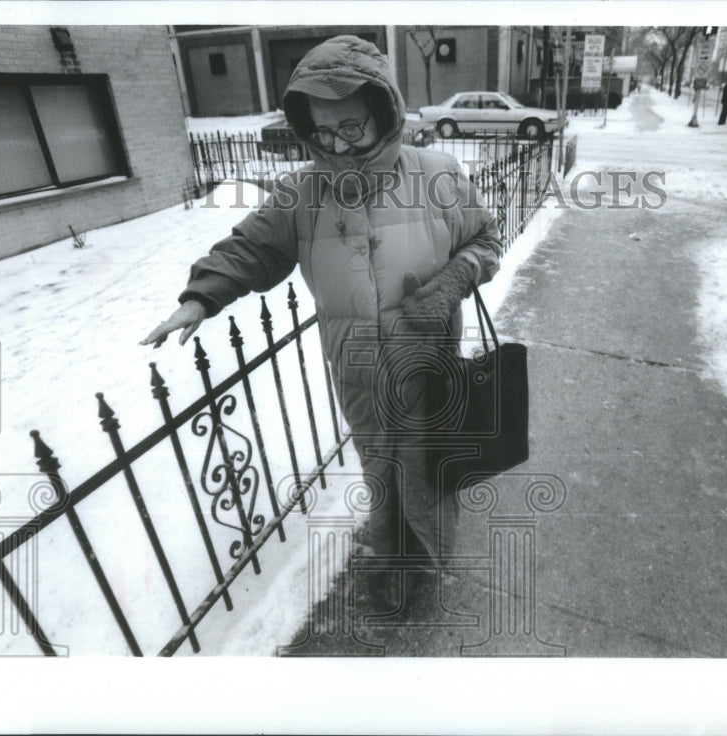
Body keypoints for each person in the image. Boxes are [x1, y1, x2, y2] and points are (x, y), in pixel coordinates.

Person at [141, 35, 502, 609]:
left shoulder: (437, 175)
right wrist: (202, 296)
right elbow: (250, 250)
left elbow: (486, 241)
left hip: (430, 364)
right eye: (323, 130)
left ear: (383, 112)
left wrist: (453, 282)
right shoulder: (301, 194)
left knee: (429, 471)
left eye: (351, 127)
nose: (337, 143)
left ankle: (429, 560)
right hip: (359, 371)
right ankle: (392, 562)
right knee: (381, 475)